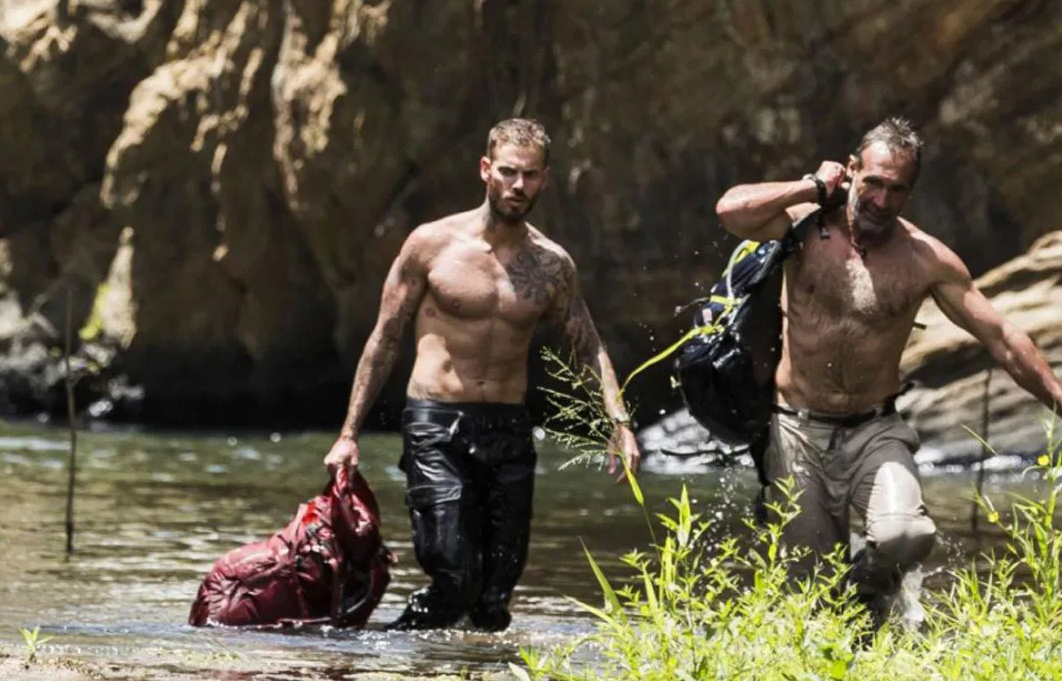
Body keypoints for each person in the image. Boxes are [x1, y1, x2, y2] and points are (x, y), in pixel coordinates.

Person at [714, 117, 1062, 624]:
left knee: (906, 534)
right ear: (852, 170)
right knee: (808, 595)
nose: (880, 199)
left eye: (896, 190)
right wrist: (811, 186)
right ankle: (852, 633)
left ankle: (864, 598)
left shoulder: (926, 259)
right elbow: (730, 210)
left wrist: (1057, 397)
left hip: (875, 431)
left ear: (910, 194)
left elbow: (1003, 337)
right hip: (795, 431)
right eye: (873, 182)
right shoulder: (806, 222)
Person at [322, 117, 640, 632]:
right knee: (454, 575)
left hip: (509, 429)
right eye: (509, 172)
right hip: (436, 424)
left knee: (494, 598)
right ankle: (381, 652)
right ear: (486, 170)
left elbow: (587, 343)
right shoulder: (431, 245)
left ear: (545, 179)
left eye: (531, 175)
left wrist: (618, 422)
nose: (519, 186)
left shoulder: (552, 265)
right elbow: (384, 338)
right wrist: (348, 434)